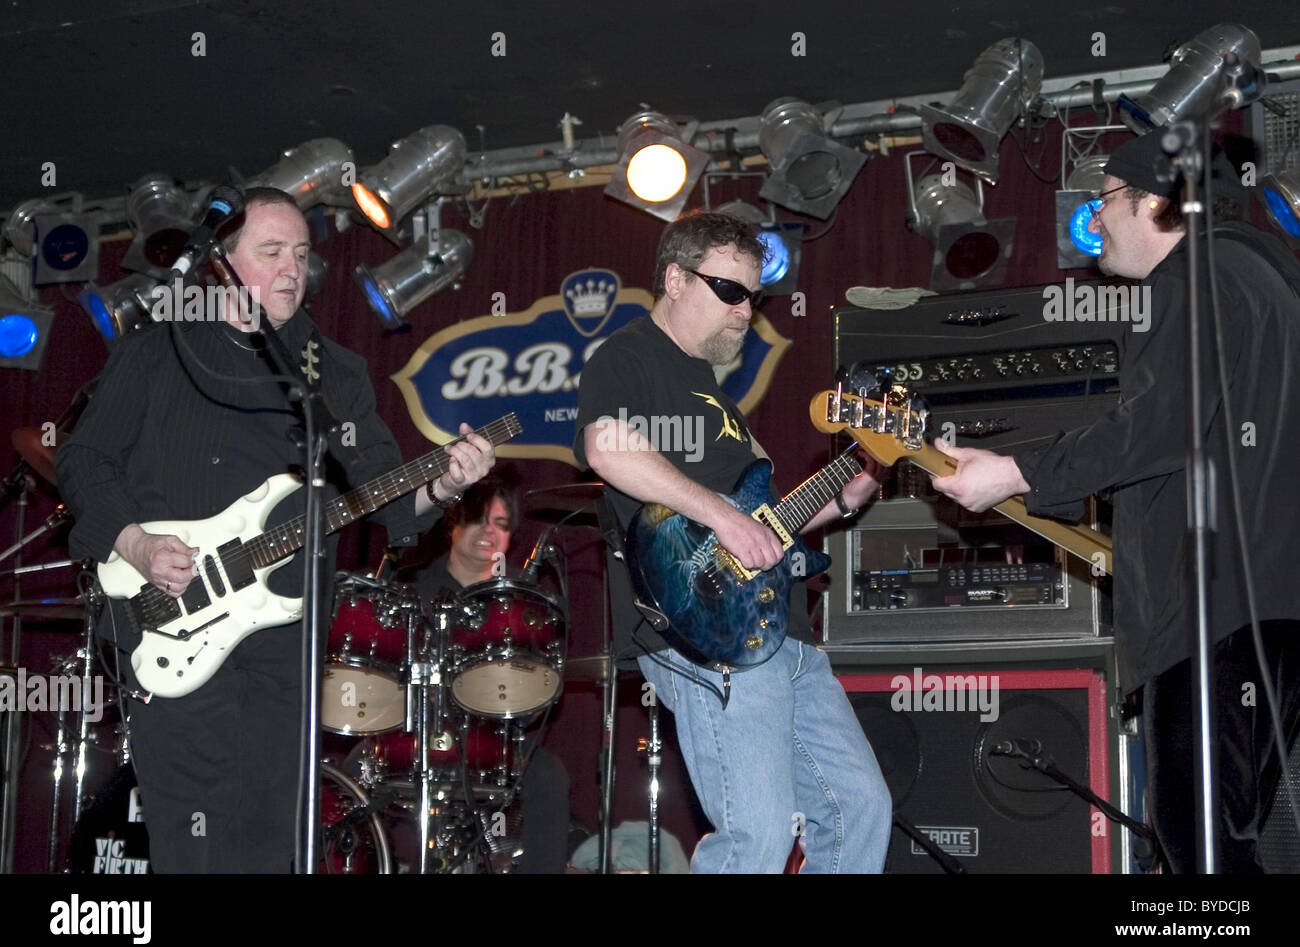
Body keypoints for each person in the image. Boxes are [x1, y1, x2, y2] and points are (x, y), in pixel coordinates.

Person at [55, 187, 496, 873]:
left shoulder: (332, 371)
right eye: (271, 252)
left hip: (287, 633)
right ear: (222, 265)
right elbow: (82, 458)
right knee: (194, 840)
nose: (292, 268)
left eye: (300, 253)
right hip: (171, 616)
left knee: (274, 838)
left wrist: (443, 485)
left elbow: (381, 495)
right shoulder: (158, 349)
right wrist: (136, 544)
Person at [932, 129, 1300, 873]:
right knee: (1222, 843)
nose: (1092, 222)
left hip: (1210, 617)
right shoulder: (1271, 280)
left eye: (1102, 202)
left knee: (1200, 852)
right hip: (1270, 614)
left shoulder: (1195, 277)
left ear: (1157, 200)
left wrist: (1015, 472)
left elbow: (1158, 428)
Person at [572, 211, 892, 873]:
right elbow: (607, 448)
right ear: (675, 279)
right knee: (757, 839)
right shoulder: (630, 355)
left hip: (787, 633)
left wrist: (848, 492)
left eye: (755, 296)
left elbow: (768, 521)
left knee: (860, 809)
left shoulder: (713, 397)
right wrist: (722, 515)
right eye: (730, 291)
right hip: (710, 628)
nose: (747, 310)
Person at [401, 471, 572, 874]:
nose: (489, 532)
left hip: (494, 741)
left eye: (500, 524)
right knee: (357, 769)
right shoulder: (414, 588)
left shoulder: (520, 602)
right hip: (420, 735)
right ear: (453, 524)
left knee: (549, 776)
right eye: (479, 520)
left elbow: (536, 690)